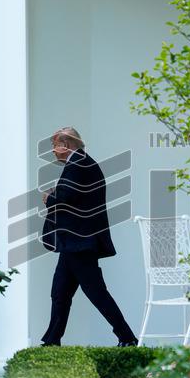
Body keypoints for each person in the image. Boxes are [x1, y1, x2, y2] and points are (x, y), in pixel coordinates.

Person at [40, 127, 138, 347]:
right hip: (74, 243)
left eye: (55, 145)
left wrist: (49, 199)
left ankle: (127, 337)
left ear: (65, 145)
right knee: (60, 292)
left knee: (96, 293)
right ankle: (52, 340)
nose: (54, 151)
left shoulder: (79, 164)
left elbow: (68, 197)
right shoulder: (82, 163)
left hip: (80, 243)